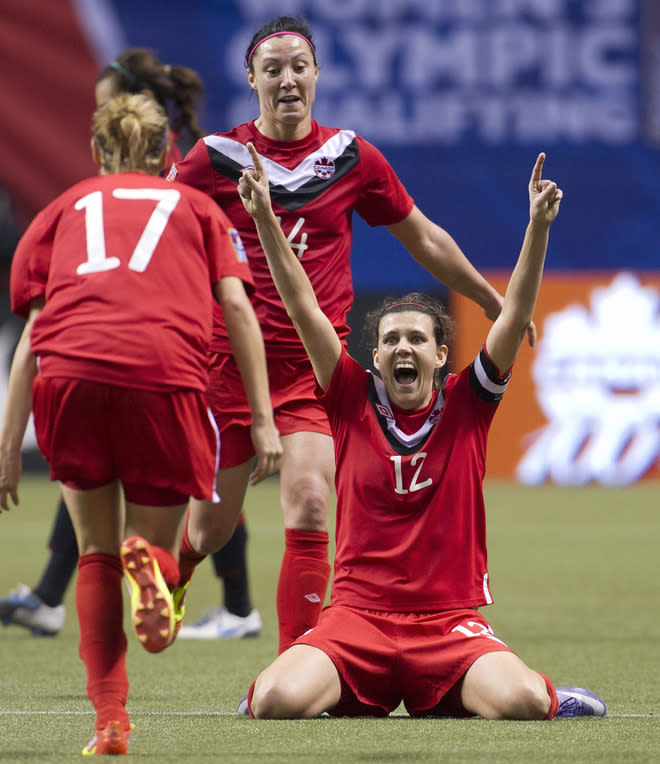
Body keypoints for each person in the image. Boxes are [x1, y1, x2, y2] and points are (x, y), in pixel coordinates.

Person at [168, 15, 523, 655]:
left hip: (316, 370)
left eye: (298, 66)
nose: (286, 79)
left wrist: (492, 299)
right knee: (210, 528)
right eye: (271, 68)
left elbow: (424, 237)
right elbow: (160, 230)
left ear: (317, 76)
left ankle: (296, 669)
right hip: (231, 368)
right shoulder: (215, 159)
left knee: (308, 504)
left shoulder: (350, 157)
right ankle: (177, 573)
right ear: (251, 80)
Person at [233, 142, 607, 720]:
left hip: (447, 623)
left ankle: (542, 695)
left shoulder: (469, 403)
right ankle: (335, 682)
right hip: (356, 620)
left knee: (527, 704)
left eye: (416, 339)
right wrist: (263, 219)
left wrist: (537, 229)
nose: (402, 347)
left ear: (439, 355)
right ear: (375, 355)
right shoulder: (349, 397)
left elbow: (511, 317)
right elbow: (302, 303)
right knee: (275, 701)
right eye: (390, 340)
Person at [0, 93, 278, 755]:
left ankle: (111, 722)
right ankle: (152, 567)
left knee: (94, 551)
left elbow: (33, 333)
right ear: (166, 155)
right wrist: (263, 419)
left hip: (70, 376)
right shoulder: (199, 208)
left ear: (97, 152)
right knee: (149, 548)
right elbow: (239, 312)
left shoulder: (62, 211)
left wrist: (9, 445)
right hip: (161, 375)